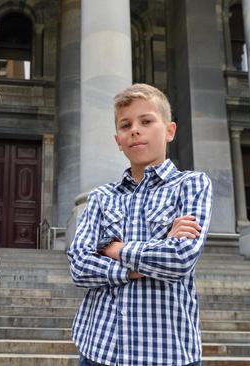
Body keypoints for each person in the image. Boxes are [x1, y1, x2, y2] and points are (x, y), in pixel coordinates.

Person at [67, 83, 213, 366]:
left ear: (169, 130)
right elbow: (79, 266)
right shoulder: (100, 197)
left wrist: (113, 249)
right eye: (125, 125)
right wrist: (140, 265)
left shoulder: (192, 185)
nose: (135, 129)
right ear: (118, 139)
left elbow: (179, 259)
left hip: (168, 352)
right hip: (99, 349)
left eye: (146, 121)